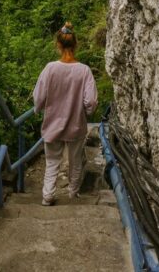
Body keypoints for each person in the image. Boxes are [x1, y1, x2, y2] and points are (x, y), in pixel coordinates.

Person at [33, 22, 98, 206]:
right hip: (76, 124)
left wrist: (39, 109)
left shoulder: (50, 68)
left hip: (53, 123)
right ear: (76, 44)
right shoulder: (84, 71)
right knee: (75, 161)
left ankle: (48, 196)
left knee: (52, 161)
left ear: (58, 45)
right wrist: (86, 112)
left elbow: (39, 96)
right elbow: (91, 101)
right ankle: (72, 193)